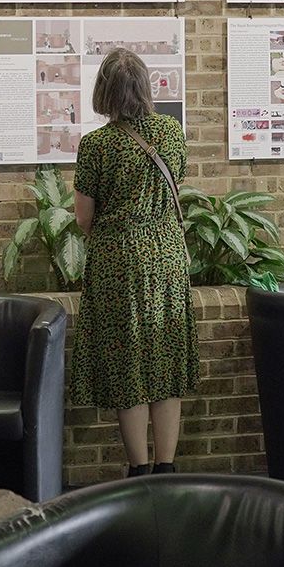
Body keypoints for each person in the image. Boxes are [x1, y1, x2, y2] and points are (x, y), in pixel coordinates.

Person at [72, 48, 196, 479]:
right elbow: (175, 184)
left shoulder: (96, 146)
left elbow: (84, 217)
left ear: (104, 91)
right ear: (145, 88)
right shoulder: (171, 132)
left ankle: (138, 471)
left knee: (128, 364)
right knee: (164, 360)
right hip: (165, 254)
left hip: (118, 260)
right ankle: (167, 467)